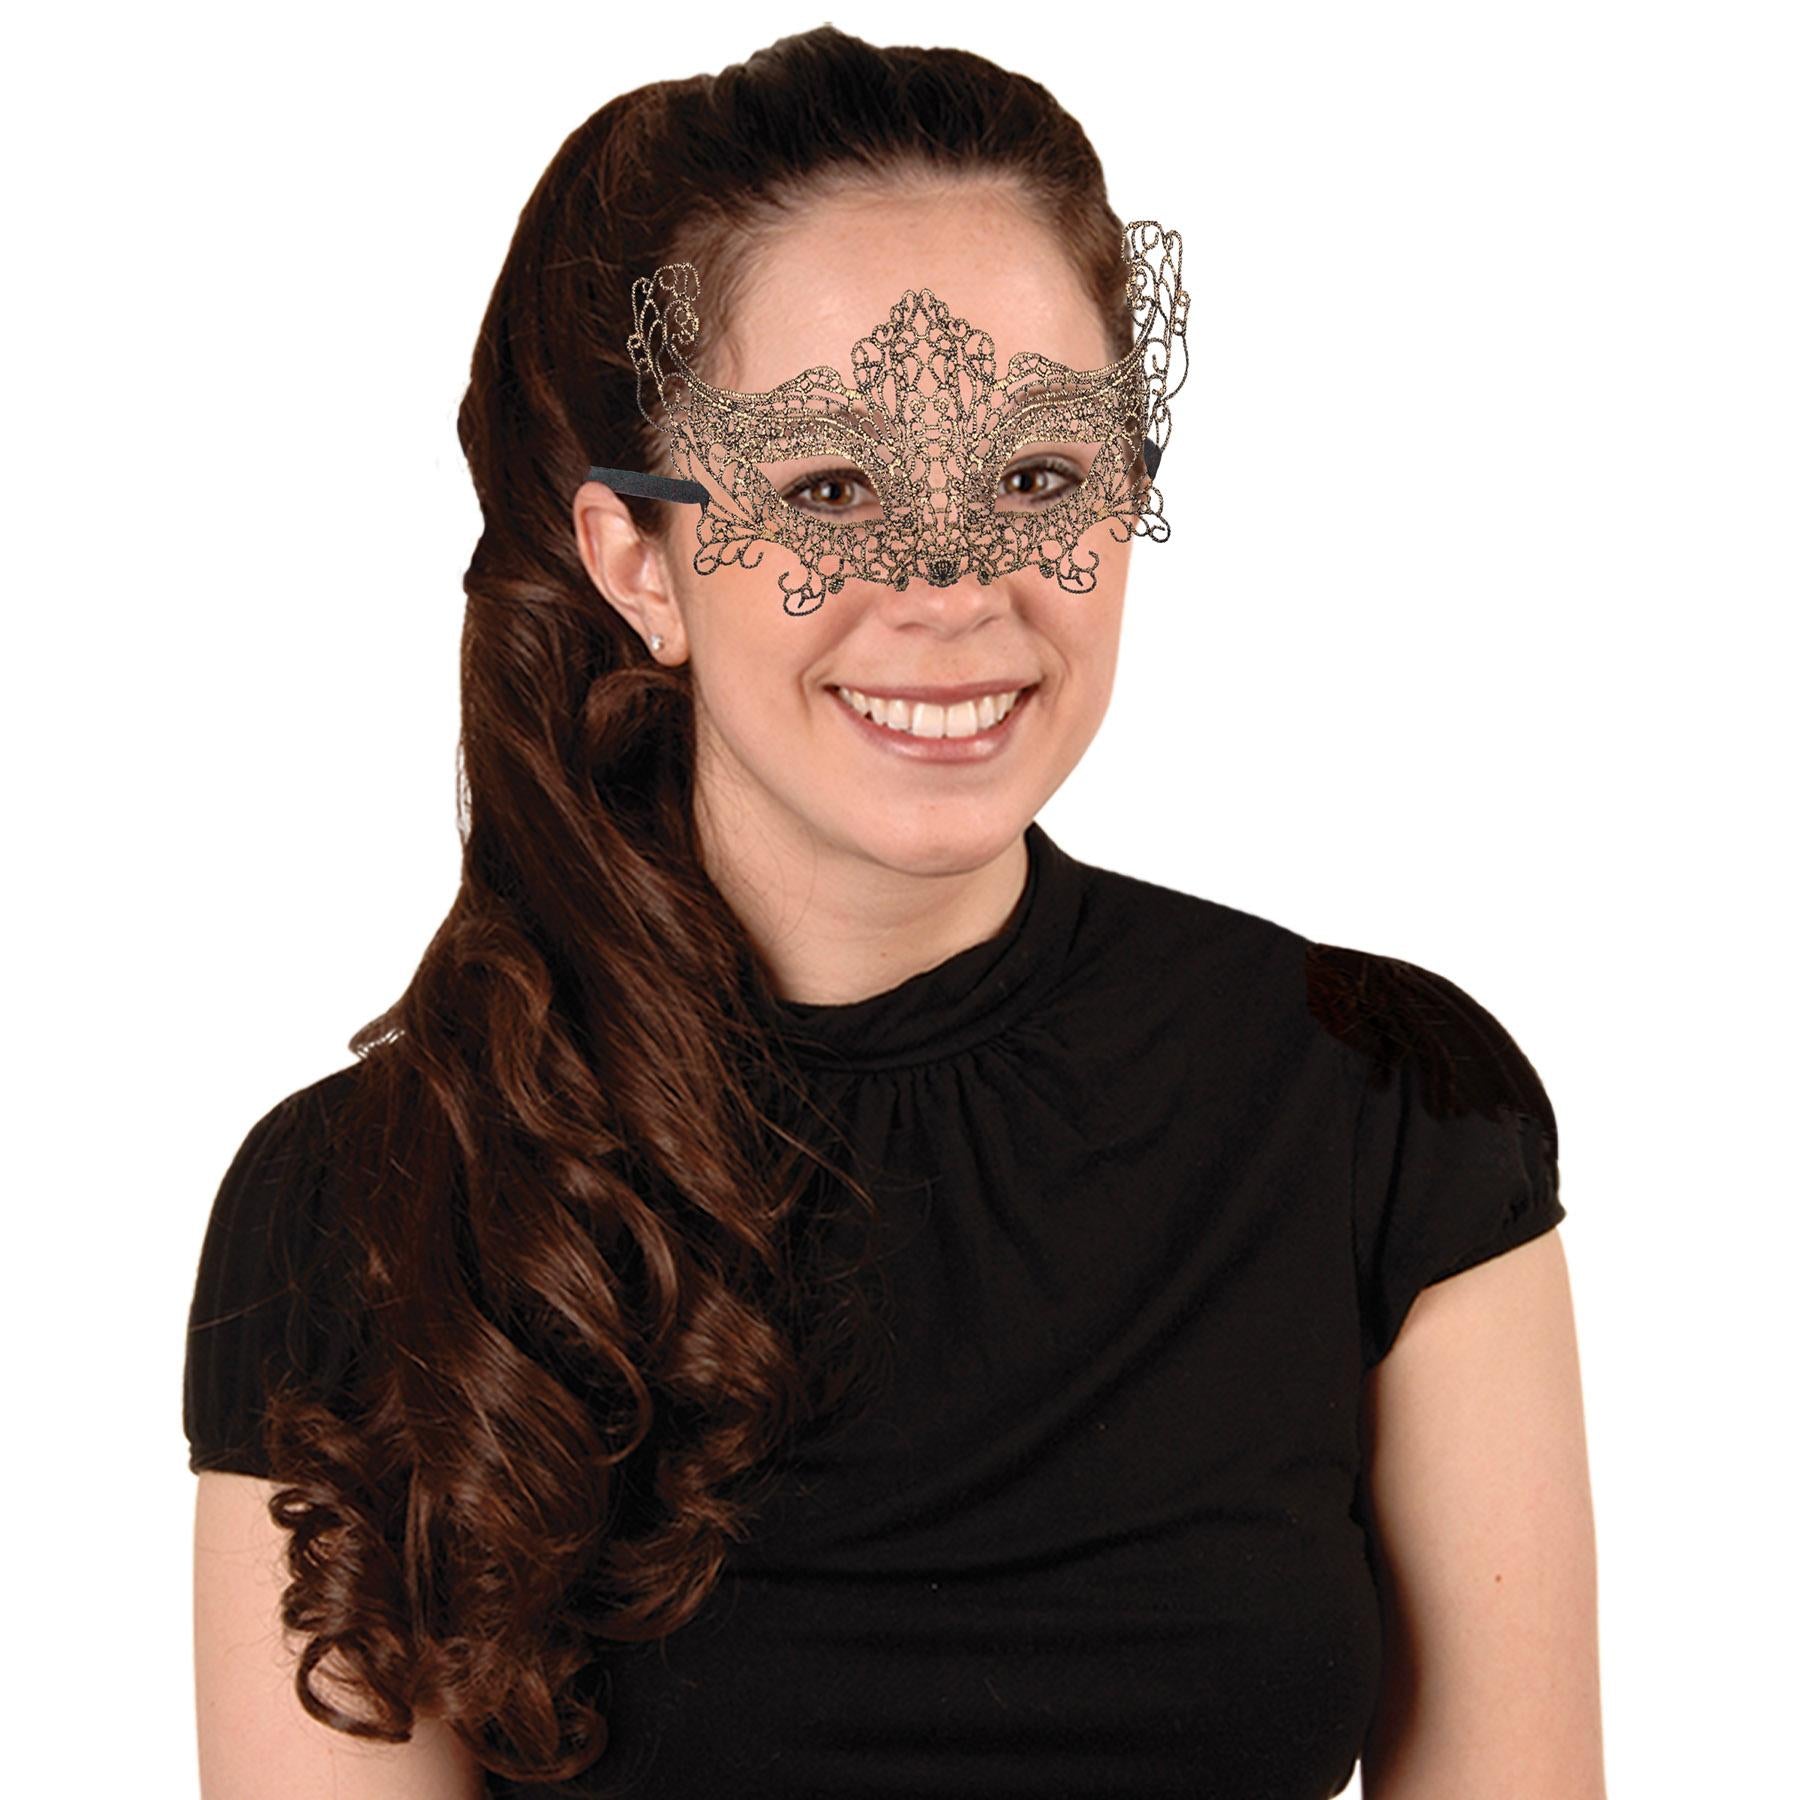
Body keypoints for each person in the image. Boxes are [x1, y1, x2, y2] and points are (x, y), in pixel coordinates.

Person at [184, 24, 1605, 1799]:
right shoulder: (370, 1206)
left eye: (1038, 477)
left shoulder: (1383, 1110)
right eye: (831, 487)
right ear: (640, 563)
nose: (954, 584)